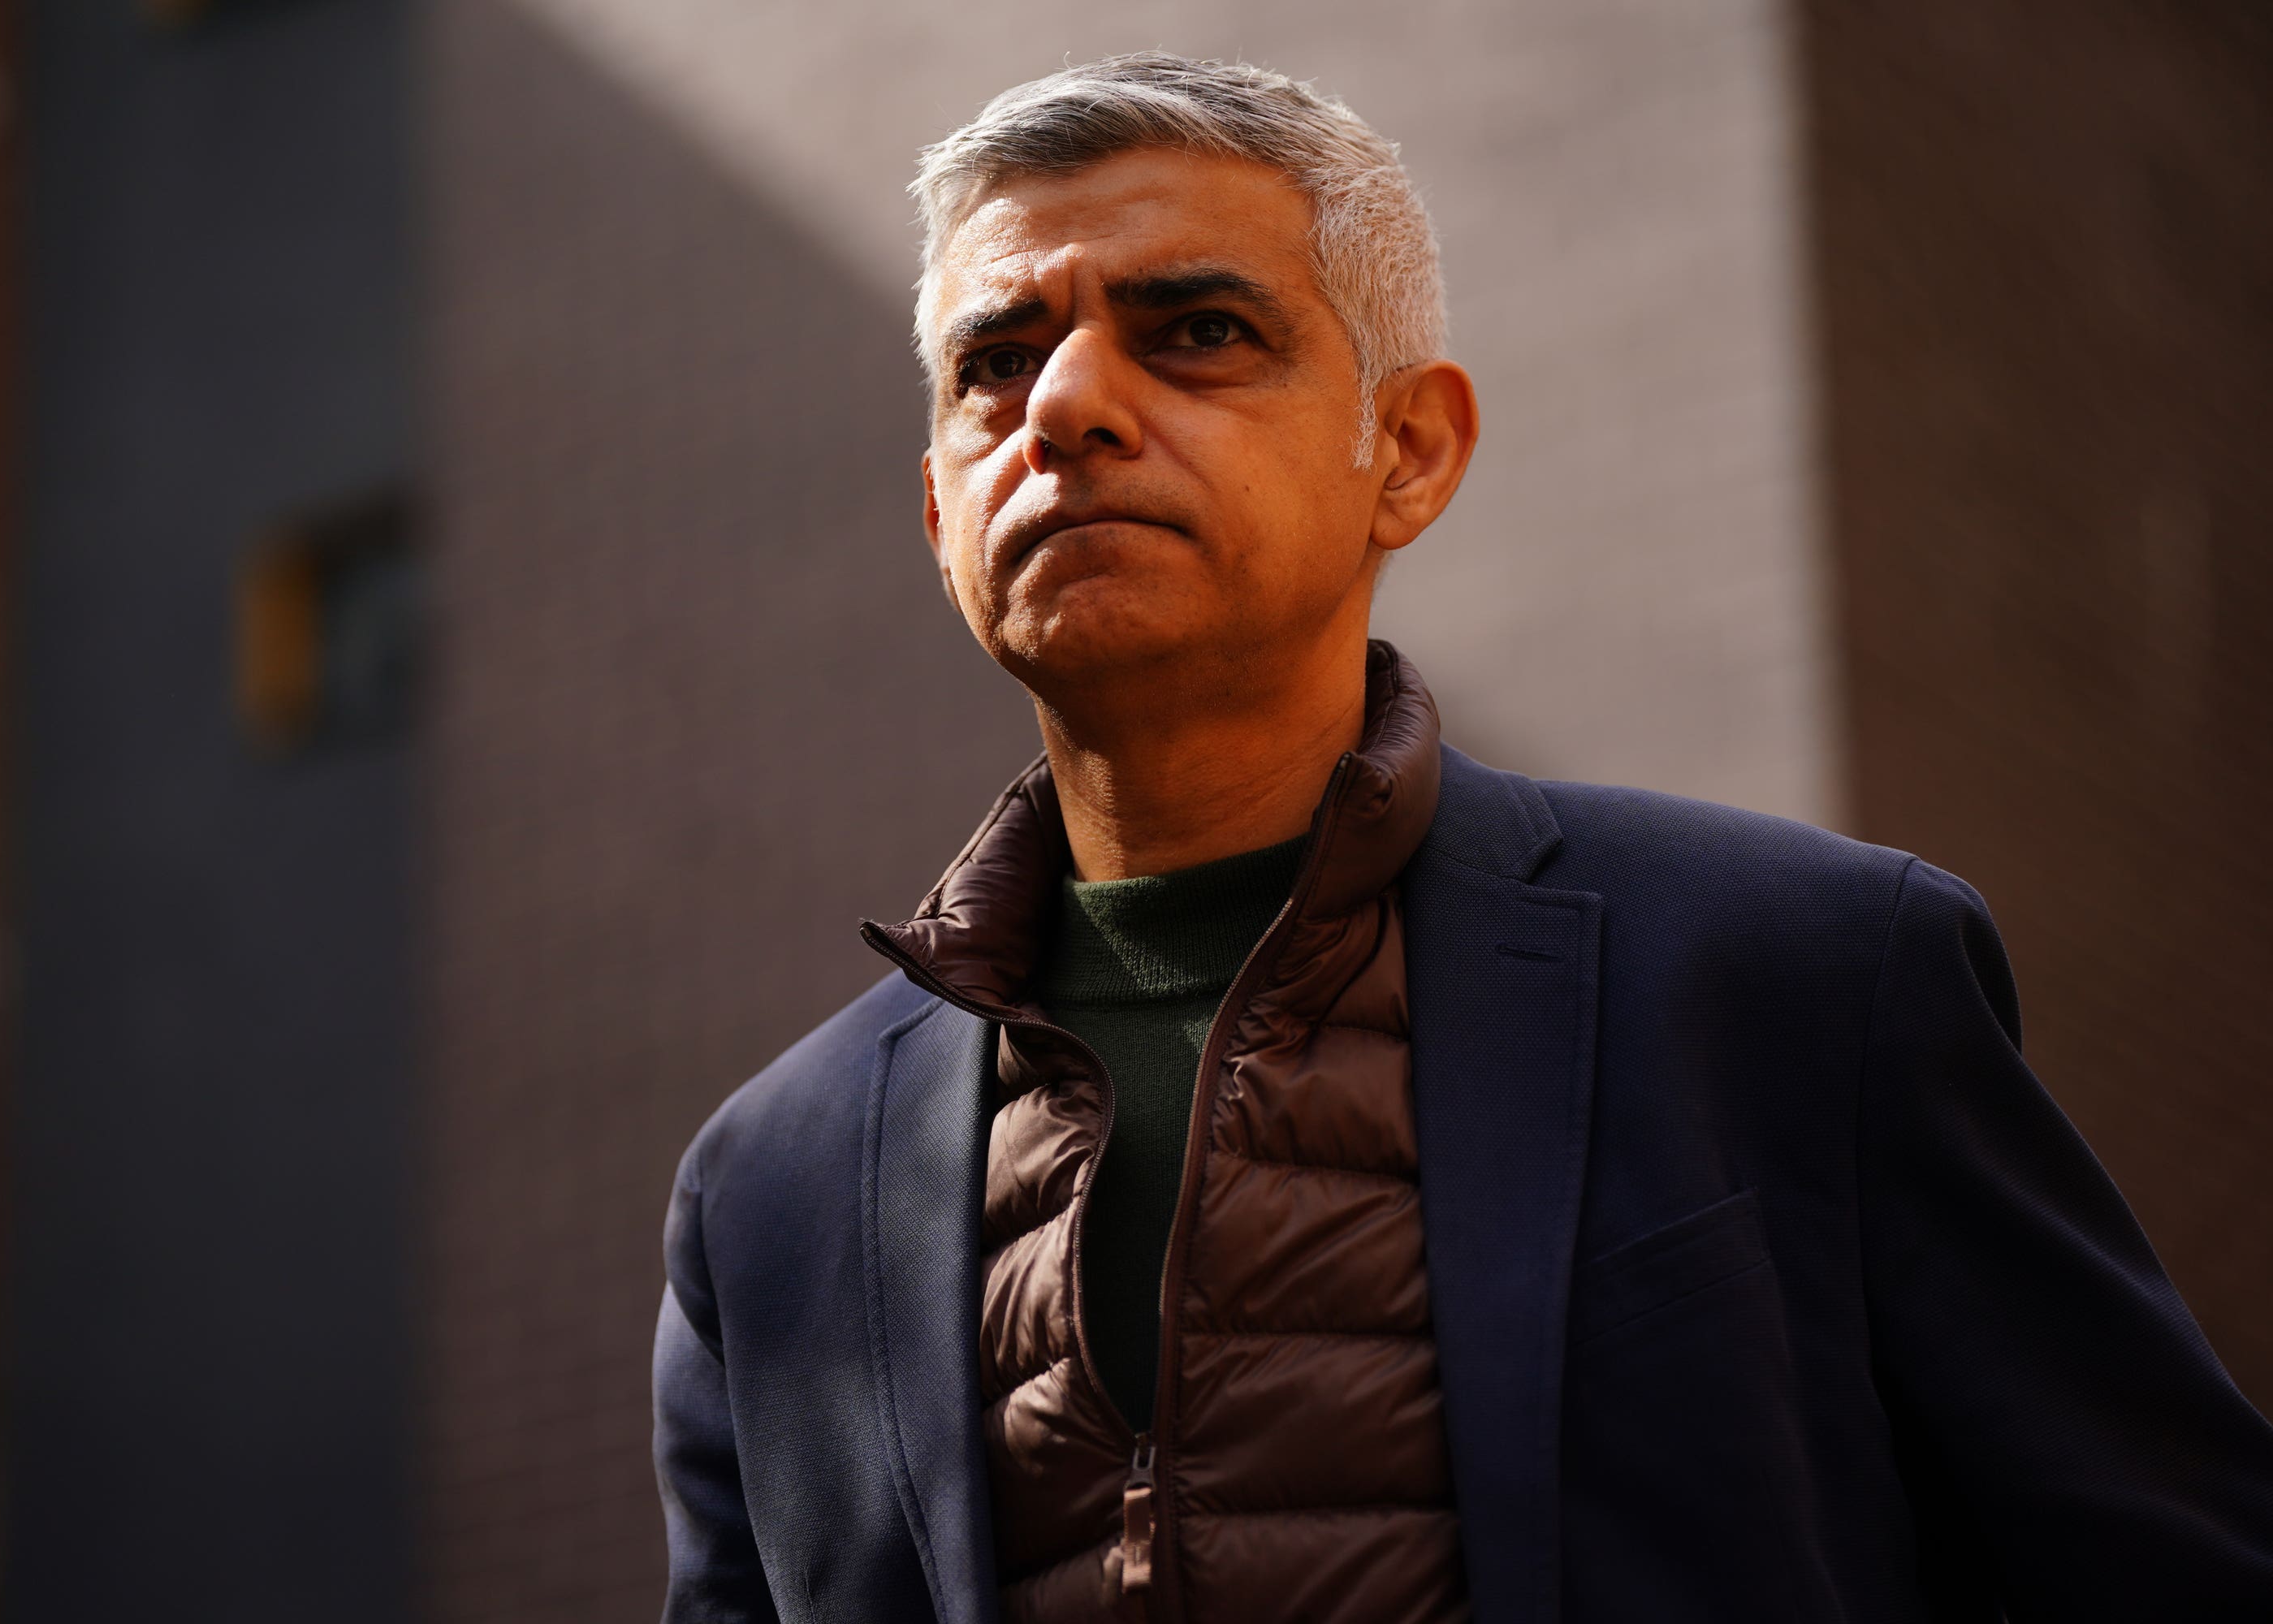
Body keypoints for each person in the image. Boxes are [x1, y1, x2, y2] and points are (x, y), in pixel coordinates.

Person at [651, 53, 2273, 1624]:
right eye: (994, 362)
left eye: (1198, 331)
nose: (1064, 405)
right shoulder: (769, 1192)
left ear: (1406, 451)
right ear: (941, 510)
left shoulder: (1808, 982)